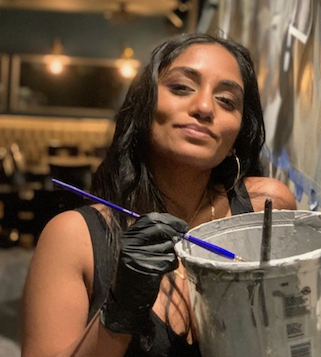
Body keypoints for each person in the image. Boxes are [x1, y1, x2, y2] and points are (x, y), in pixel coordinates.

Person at [22, 33, 297, 357]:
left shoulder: (267, 208)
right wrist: (119, 313)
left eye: (226, 100)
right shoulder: (74, 236)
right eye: (181, 87)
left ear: (237, 136)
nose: (204, 107)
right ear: (144, 106)